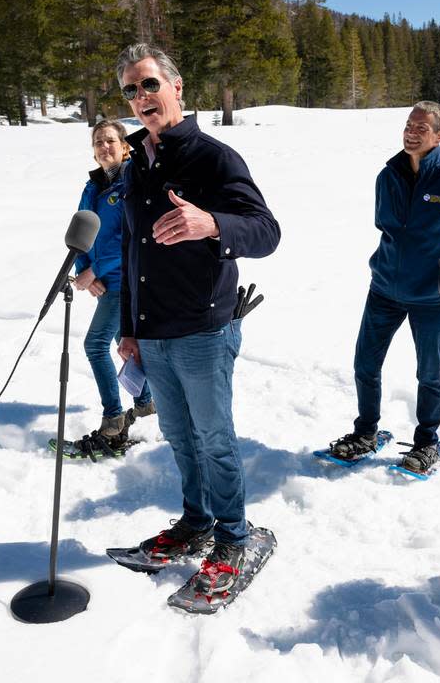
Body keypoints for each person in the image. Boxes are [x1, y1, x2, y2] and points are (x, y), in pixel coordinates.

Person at [114, 42, 280, 593]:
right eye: (131, 90)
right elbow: (132, 249)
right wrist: (129, 328)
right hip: (154, 332)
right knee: (179, 437)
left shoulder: (214, 158)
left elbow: (265, 231)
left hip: (204, 330)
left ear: (176, 87)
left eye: (149, 85)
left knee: (213, 438)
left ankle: (235, 534)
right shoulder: (136, 163)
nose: (141, 98)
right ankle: (196, 522)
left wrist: (212, 224)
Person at [325, 101, 440, 475]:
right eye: (409, 125)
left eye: (421, 128)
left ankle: (426, 442)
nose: (411, 133)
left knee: (428, 372)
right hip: (384, 288)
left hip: (433, 299)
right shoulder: (389, 175)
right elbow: (386, 227)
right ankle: (366, 432)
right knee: (365, 363)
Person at [68, 119, 155, 455]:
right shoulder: (92, 187)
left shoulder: (131, 182)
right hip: (103, 278)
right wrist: (84, 271)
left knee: (95, 344)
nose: (104, 147)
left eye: (110, 141)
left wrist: (97, 270)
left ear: (125, 146)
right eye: (98, 142)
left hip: (125, 280)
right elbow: (81, 233)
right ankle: (146, 404)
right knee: (125, 342)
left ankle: (113, 419)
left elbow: (129, 238)